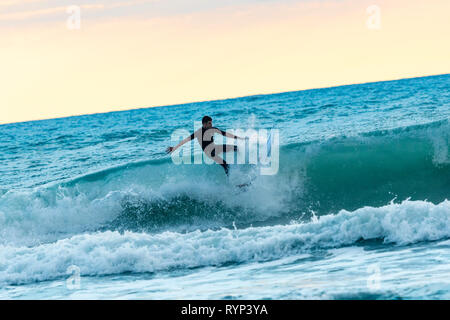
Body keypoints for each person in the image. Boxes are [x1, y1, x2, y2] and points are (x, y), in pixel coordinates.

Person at [166, 116, 245, 175]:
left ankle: (239, 166)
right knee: (225, 165)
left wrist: (240, 138)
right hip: (209, 152)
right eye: (209, 123)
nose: (211, 125)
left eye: (211, 123)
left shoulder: (212, 129)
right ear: (204, 124)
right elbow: (185, 140)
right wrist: (174, 148)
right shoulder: (198, 132)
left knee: (236, 148)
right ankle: (233, 184)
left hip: (215, 147)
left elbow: (225, 134)